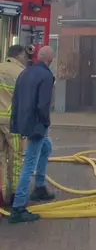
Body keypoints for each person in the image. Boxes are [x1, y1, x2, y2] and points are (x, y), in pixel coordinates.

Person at [8, 45, 56, 224]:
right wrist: (45, 122)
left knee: (47, 147)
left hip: (23, 122)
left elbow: (16, 98)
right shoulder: (46, 76)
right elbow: (43, 104)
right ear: (50, 60)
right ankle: (18, 208)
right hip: (36, 125)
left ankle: (40, 187)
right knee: (29, 163)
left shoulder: (25, 72)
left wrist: (17, 123)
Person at [0, 45, 28, 207]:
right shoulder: (21, 74)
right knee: (16, 158)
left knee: (0, 159)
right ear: (19, 56)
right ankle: (16, 195)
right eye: (24, 56)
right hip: (13, 123)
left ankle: (1, 196)